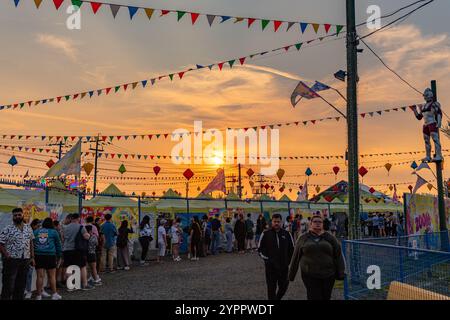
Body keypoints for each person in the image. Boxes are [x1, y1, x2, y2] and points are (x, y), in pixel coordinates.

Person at [289, 215, 345, 300]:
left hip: (328, 274)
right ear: (310, 224)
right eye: (315, 221)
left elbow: (338, 255)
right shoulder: (303, 238)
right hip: (310, 275)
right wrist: (291, 275)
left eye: (320, 222)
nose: (317, 223)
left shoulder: (329, 237)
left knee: (326, 297)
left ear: (323, 224)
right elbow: (295, 256)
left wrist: (341, 272)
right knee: (313, 297)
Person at [0, 208, 35, 300]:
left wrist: (32, 257)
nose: (17, 216)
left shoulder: (28, 228)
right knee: (8, 284)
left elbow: (31, 242)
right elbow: (1, 243)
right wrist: (6, 255)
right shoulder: (7, 229)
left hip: (25, 260)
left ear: (22, 215)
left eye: (19, 214)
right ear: (13, 217)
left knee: (21, 284)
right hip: (12, 260)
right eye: (15, 215)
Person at [257, 213, 294, 300]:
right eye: (275, 221)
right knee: (271, 288)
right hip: (270, 268)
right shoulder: (265, 234)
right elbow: (260, 249)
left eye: (278, 221)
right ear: (271, 222)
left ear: (281, 222)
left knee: (284, 286)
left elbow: (292, 249)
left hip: (284, 267)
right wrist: (268, 260)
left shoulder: (287, 234)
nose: (276, 223)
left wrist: (288, 261)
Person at [61, 213, 93, 291]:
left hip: (66, 249)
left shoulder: (65, 227)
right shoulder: (81, 227)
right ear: (78, 218)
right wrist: (89, 235)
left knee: (69, 267)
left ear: (71, 218)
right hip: (77, 250)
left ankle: (70, 286)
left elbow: (63, 238)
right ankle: (84, 285)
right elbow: (86, 236)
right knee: (82, 266)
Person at [33, 217, 62, 300]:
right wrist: (60, 255)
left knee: (40, 276)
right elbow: (58, 245)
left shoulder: (36, 231)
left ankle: (38, 295)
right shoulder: (54, 232)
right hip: (50, 256)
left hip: (38, 256)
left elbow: (32, 243)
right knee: (52, 276)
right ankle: (54, 294)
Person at [412, 88, 443, 162]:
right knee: (426, 140)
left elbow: (439, 113)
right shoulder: (423, 106)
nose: (425, 97)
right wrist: (415, 110)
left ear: (430, 96)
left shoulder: (434, 104)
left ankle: (439, 155)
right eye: (424, 96)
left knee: (435, 139)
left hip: (432, 123)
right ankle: (428, 156)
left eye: (426, 95)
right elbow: (419, 117)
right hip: (425, 125)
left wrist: (439, 122)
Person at [24, 219, 41, 299]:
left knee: (30, 274)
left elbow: (32, 245)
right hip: (25, 256)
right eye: (38, 226)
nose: (39, 227)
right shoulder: (31, 231)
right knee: (27, 274)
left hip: (32, 256)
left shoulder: (32, 231)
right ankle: (28, 290)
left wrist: (32, 257)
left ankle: (30, 291)